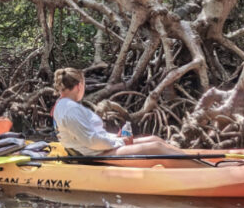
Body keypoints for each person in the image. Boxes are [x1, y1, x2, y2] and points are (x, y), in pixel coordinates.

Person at [52, 67, 188, 161]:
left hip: (98, 148)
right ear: (79, 86)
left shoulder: (66, 105)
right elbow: (91, 141)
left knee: (154, 139)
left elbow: (91, 135)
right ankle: (201, 168)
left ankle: (189, 159)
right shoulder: (70, 109)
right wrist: (120, 141)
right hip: (94, 154)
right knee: (156, 147)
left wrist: (117, 138)